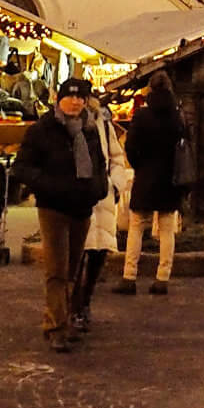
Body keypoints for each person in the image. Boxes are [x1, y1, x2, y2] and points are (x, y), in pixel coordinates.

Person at [10, 75, 106, 351]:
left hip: (82, 207)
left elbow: (98, 163)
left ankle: (62, 320)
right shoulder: (43, 129)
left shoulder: (90, 129)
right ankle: (55, 327)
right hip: (53, 208)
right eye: (70, 96)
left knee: (73, 269)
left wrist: (100, 187)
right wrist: (49, 185)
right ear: (58, 99)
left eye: (80, 97)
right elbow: (22, 167)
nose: (75, 102)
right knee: (57, 269)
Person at [118, 72, 188, 292]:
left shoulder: (141, 116)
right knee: (167, 229)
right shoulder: (178, 116)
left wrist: (140, 165)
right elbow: (184, 147)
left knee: (137, 226)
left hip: (146, 176)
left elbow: (130, 146)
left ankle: (129, 277)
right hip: (170, 179)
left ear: (149, 89)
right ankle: (162, 278)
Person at [73, 94, 125, 331]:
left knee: (98, 254)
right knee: (76, 256)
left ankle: (85, 303)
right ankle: (73, 306)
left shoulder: (103, 123)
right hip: (77, 196)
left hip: (102, 197)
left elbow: (116, 156)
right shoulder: (67, 123)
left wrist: (115, 184)